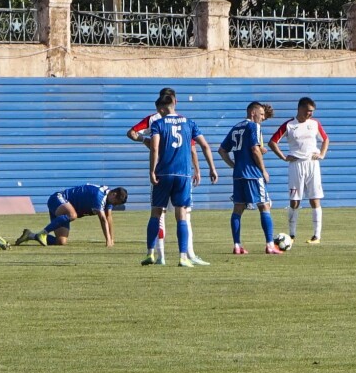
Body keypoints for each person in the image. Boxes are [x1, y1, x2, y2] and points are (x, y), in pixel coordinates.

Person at [144, 94, 218, 267]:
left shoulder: (158, 124)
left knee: (156, 212)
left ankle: (150, 254)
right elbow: (204, 146)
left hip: (164, 174)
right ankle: (183, 257)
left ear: (162, 108)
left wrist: (152, 171)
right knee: (181, 215)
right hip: (183, 175)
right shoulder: (189, 123)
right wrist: (212, 168)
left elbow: (154, 147)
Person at [220, 101, 282, 255]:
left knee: (238, 209)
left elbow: (222, 150)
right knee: (265, 205)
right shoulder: (253, 126)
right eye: (261, 114)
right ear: (253, 113)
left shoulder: (236, 127)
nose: (262, 118)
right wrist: (264, 170)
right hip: (253, 174)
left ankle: (237, 245)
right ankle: (269, 245)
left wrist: (234, 165)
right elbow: (255, 149)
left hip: (238, 175)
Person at [268, 96, 329, 245]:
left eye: (312, 111)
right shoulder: (289, 125)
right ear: (300, 109)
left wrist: (321, 154)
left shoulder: (314, 124)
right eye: (308, 111)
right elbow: (272, 142)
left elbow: (325, 139)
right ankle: (292, 235)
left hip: (312, 164)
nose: (311, 114)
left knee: (315, 199)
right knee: (294, 201)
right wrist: (283, 157)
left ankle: (316, 236)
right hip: (296, 165)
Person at [126, 87, 176, 262]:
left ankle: (159, 254)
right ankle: (186, 254)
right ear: (173, 101)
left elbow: (131, 133)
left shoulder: (153, 119)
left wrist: (144, 140)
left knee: (158, 212)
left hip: (161, 171)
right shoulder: (181, 120)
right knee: (183, 213)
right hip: (179, 171)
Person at [15, 184, 128, 247]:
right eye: (116, 202)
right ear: (114, 194)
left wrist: (112, 239)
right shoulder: (99, 196)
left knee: (61, 242)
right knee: (72, 215)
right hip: (57, 199)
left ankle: (30, 235)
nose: (114, 205)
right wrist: (107, 241)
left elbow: (109, 218)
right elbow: (103, 219)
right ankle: (43, 233)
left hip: (64, 210)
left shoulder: (109, 200)